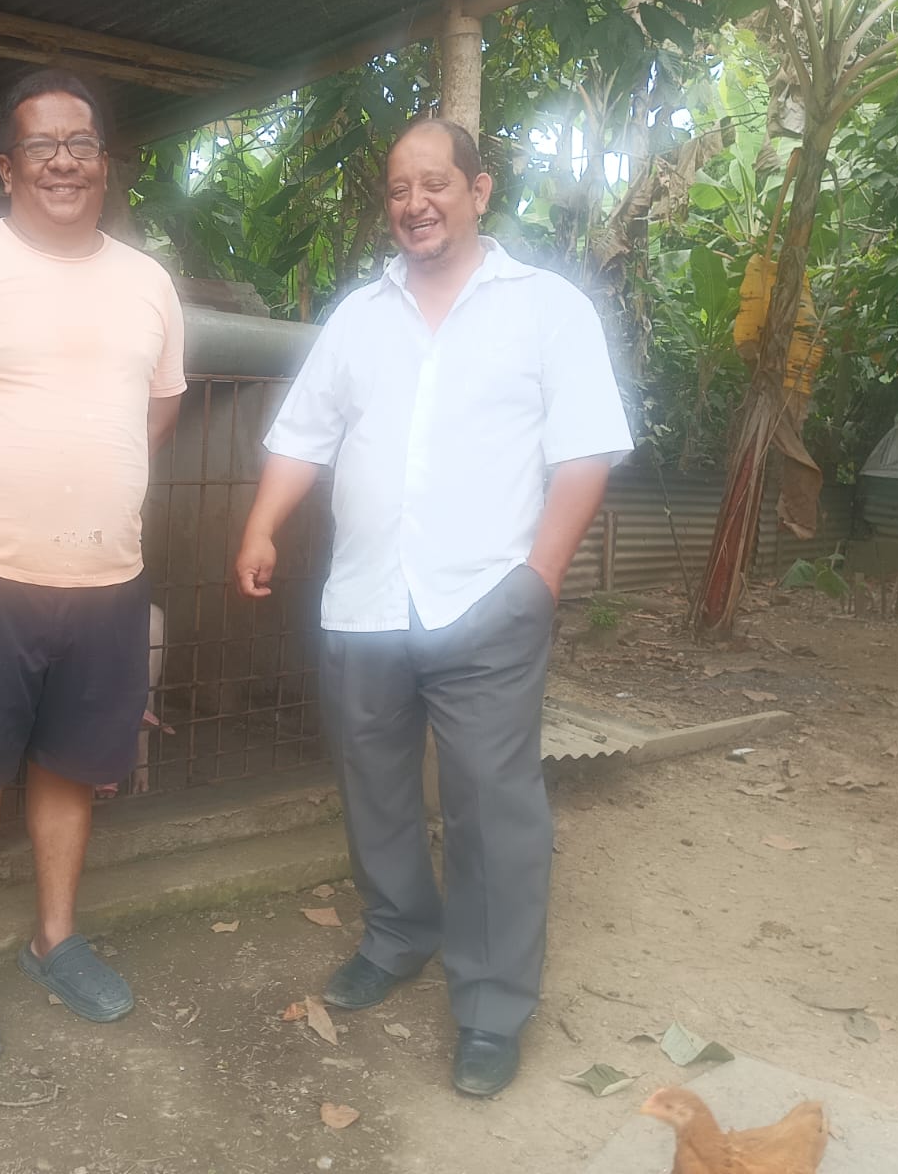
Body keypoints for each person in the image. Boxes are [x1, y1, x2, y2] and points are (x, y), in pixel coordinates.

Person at [234, 118, 632, 1096]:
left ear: (478, 190)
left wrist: (539, 578)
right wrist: (261, 526)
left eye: (435, 184)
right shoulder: (359, 317)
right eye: (400, 189)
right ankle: (399, 933)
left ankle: (492, 1005)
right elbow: (304, 433)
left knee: (493, 808)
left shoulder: (547, 309)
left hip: (487, 599)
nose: (415, 204)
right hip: (365, 599)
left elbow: (585, 450)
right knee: (374, 788)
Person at [0, 69, 185, 1063]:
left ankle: (55, 939)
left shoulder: (147, 284)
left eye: (81, 144)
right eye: (42, 145)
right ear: (7, 167)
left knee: (72, 767)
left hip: (105, 578)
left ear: (105, 162)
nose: (64, 161)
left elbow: (160, 406)